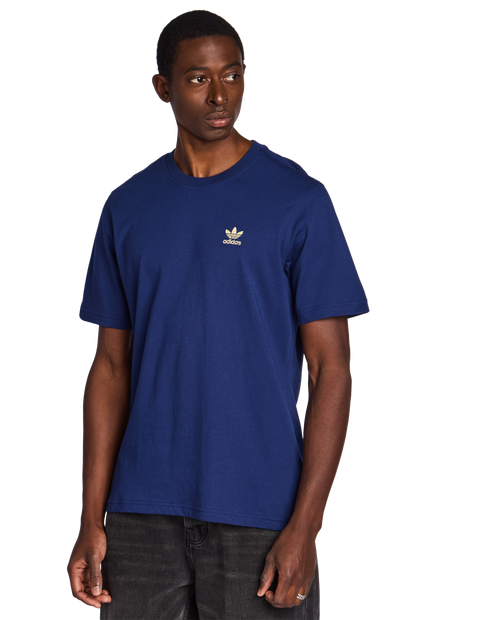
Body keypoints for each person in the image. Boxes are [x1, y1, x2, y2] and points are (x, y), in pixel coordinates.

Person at [65, 8, 370, 619]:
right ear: (163, 87)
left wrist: (305, 527)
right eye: (199, 78)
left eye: (232, 75)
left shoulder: (297, 200)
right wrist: (91, 520)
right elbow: (111, 369)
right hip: (141, 515)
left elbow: (331, 370)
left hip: (260, 514)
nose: (220, 95)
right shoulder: (128, 207)